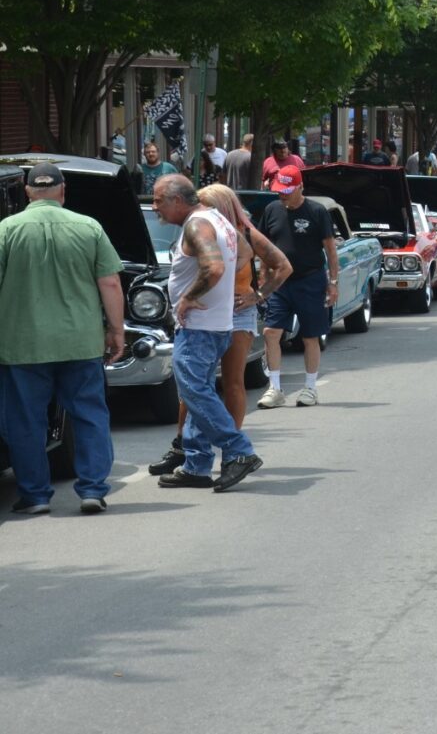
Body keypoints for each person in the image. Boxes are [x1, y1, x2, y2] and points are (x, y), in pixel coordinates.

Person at [0, 163, 124, 514]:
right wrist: (116, 331)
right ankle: (92, 489)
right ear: (63, 190)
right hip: (80, 342)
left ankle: (36, 495)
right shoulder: (89, 228)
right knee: (89, 414)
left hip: (21, 345)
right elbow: (111, 283)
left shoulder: (6, 229)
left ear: (27, 192)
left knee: (25, 421)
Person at [148, 184, 293, 476]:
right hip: (217, 315)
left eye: (205, 200)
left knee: (218, 386)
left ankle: (235, 452)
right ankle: (193, 458)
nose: (200, 203)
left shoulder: (222, 227)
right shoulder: (218, 226)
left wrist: (257, 294)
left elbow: (281, 266)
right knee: (196, 389)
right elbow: (221, 266)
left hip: (228, 316)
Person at [255, 166, 339, 409]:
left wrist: (333, 283)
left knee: (310, 336)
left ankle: (310, 388)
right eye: (280, 190)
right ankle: (275, 388)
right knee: (271, 332)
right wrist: (263, 277)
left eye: (287, 191)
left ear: (300, 187)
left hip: (310, 280)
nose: (282, 195)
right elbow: (263, 246)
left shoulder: (316, 211)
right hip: (280, 282)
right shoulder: (271, 210)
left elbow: (330, 250)